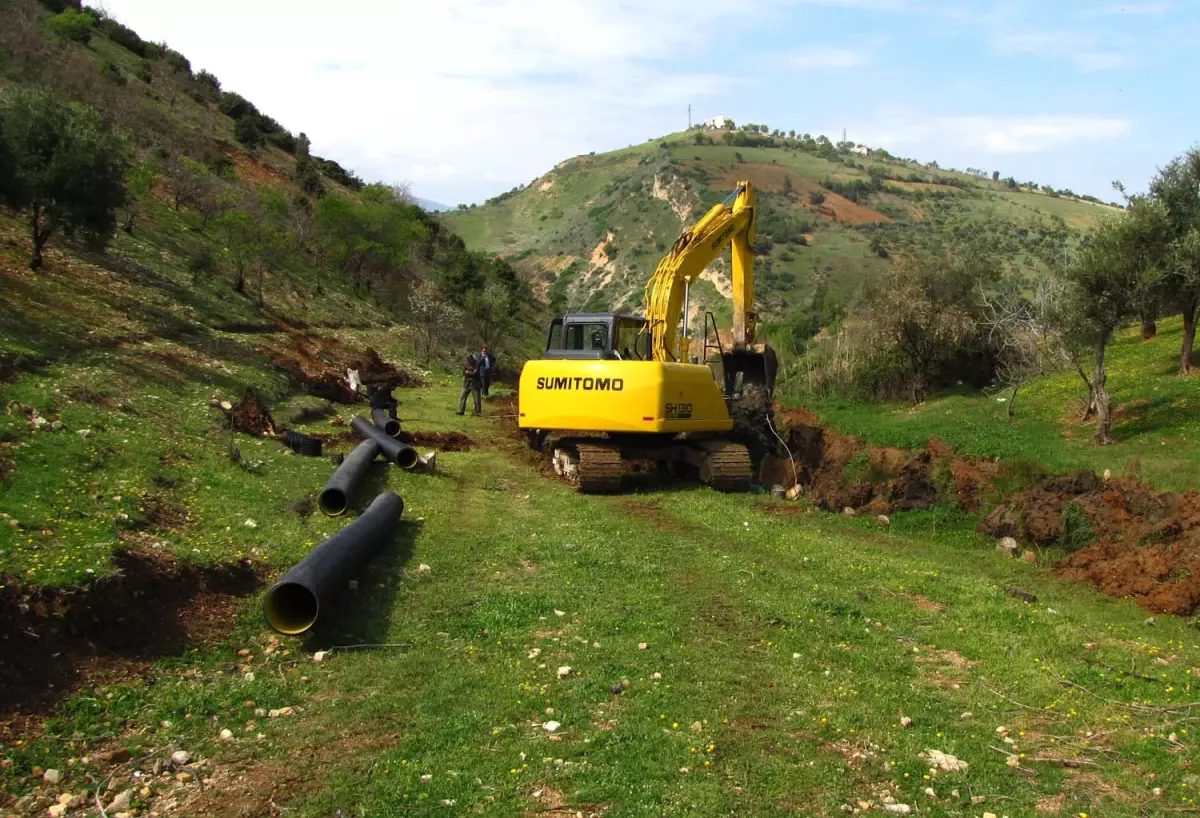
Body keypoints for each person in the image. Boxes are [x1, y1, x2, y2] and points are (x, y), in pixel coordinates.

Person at [457, 352, 482, 416]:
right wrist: (470, 372)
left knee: (477, 399)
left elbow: (475, 373)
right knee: (462, 396)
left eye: (469, 360)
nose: (468, 361)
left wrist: (468, 372)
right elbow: (463, 372)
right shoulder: (466, 364)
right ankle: (461, 410)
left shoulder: (477, 364)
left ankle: (478, 412)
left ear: (472, 359)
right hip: (467, 384)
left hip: (475, 384)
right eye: (467, 360)